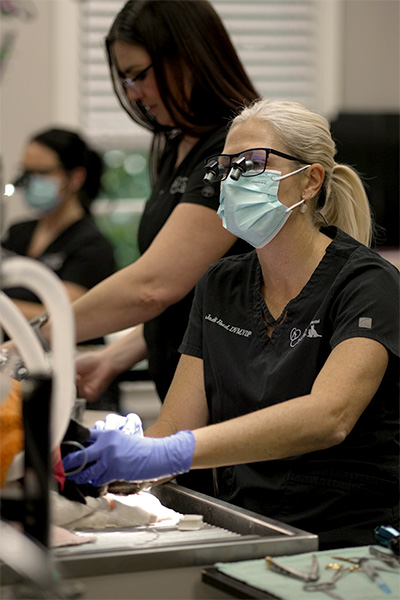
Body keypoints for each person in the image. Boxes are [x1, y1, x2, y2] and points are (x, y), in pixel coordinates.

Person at [63, 99, 399, 550]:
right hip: (248, 529)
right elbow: (176, 426)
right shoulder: (221, 284)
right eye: (224, 167)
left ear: (310, 180)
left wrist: (167, 451)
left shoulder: (367, 284)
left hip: (349, 541)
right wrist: (121, 458)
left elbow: (330, 416)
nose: (232, 179)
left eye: (252, 163)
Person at [35, 1, 258, 404]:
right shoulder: (175, 145)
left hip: (236, 395)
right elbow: (187, 301)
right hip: (186, 396)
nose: (134, 94)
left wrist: (34, 338)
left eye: (138, 76)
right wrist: (112, 358)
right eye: (125, 81)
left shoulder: (238, 149)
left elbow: (154, 286)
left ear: (188, 57)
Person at [1, 127, 116, 345]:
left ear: (75, 178)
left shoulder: (92, 246)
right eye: (27, 171)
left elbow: (65, 315)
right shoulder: (18, 233)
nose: (31, 181)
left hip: (68, 365)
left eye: (42, 173)